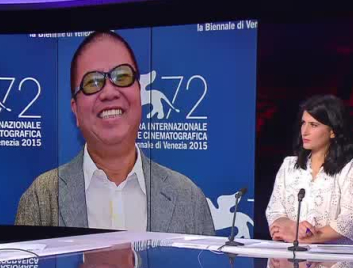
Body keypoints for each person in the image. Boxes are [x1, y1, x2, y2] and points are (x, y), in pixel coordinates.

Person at [15, 31, 215, 236]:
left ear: (139, 92)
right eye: (92, 82)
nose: (109, 92)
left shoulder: (188, 198)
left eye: (122, 76)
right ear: (75, 110)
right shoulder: (41, 198)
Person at [266, 94, 353, 246]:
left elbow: (348, 223)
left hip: (337, 258)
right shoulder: (289, 166)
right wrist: (293, 228)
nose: (305, 131)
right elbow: (275, 212)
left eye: (314, 125)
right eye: (303, 123)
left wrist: (303, 238)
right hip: (291, 254)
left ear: (332, 131)